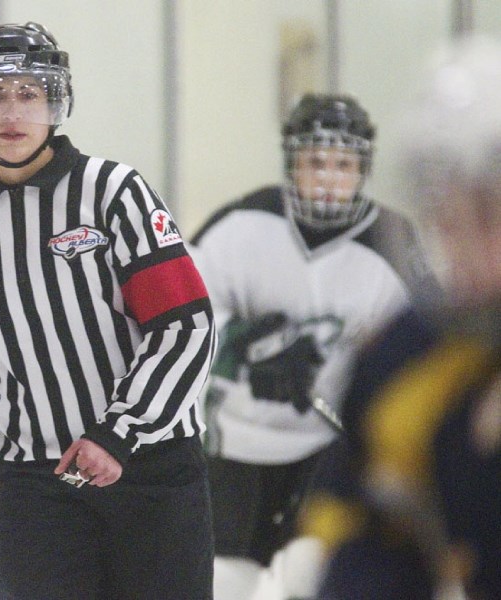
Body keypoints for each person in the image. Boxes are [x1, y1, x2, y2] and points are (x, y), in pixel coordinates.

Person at [0, 22, 216, 599]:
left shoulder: (113, 192)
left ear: (55, 104)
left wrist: (121, 432)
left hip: (152, 470)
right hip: (33, 482)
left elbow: (185, 324)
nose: (11, 112)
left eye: (28, 93)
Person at [189, 93, 438, 600]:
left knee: (314, 576)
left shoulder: (394, 246)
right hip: (234, 447)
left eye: (343, 164)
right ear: (291, 164)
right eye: (315, 162)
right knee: (225, 582)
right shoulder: (239, 224)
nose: (328, 177)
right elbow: (184, 315)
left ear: (362, 170)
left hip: (332, 454)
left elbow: (416, 355)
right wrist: (242, 341)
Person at [301, 35, 501, 600]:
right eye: (447, 219)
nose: (467, 256)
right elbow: (368, 537)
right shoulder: (406, 354)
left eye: (489, 214)